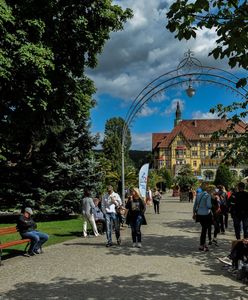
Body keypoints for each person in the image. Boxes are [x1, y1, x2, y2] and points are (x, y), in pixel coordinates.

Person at [193, 186, 212, 251]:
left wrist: (194, 213)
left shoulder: (198, 195)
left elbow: (195, 205)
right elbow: (209, 205)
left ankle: (203, 244)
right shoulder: (207, 195)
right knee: (204, 229)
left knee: (204, 229)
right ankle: (202, 245)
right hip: (206, 214)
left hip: (199, 214)